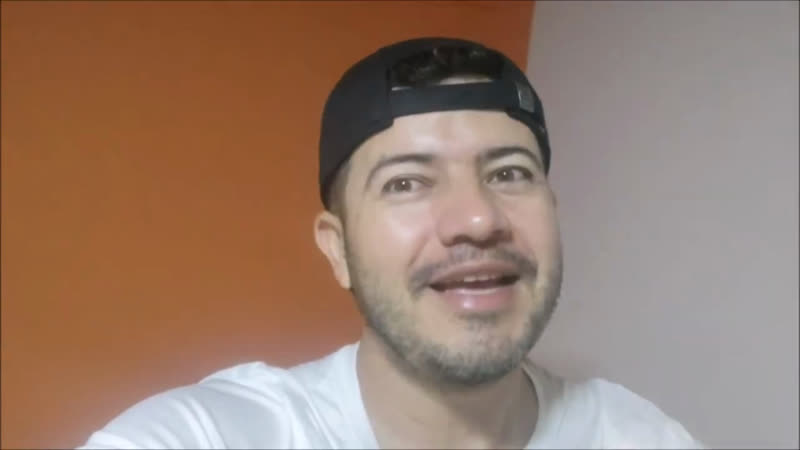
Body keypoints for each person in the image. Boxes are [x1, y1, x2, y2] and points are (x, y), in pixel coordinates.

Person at [80, 37, 703, 449]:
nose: (477, 219)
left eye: (510, 173)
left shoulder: (642, 438)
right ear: (337, 249)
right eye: (406, 182)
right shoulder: (213, 436)